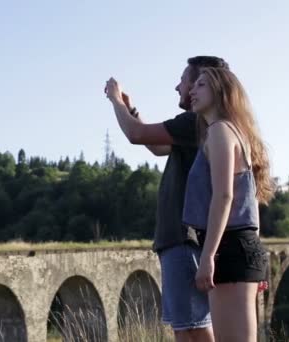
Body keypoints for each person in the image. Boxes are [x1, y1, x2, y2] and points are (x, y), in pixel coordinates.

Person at [105, 56, 228, 342]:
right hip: (182, 239)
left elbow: (136, 135)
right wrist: (131, 107)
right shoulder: (200, 125)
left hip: (183, 239)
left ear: (203, 84)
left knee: (192, 328)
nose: (178, 87)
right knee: (187, 327)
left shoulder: (195, 122)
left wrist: (115, 101)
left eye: (185, 81)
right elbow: (158, 146)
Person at [183, 67, 273, 342]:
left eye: (200, 85)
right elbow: (250, 204)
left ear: (220, 92)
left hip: (229, 247)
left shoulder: (220, 131)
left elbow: (224, 196)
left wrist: (208, 257)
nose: (192, 91)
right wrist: (253, 255)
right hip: (241, 246)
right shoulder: (234, 132)